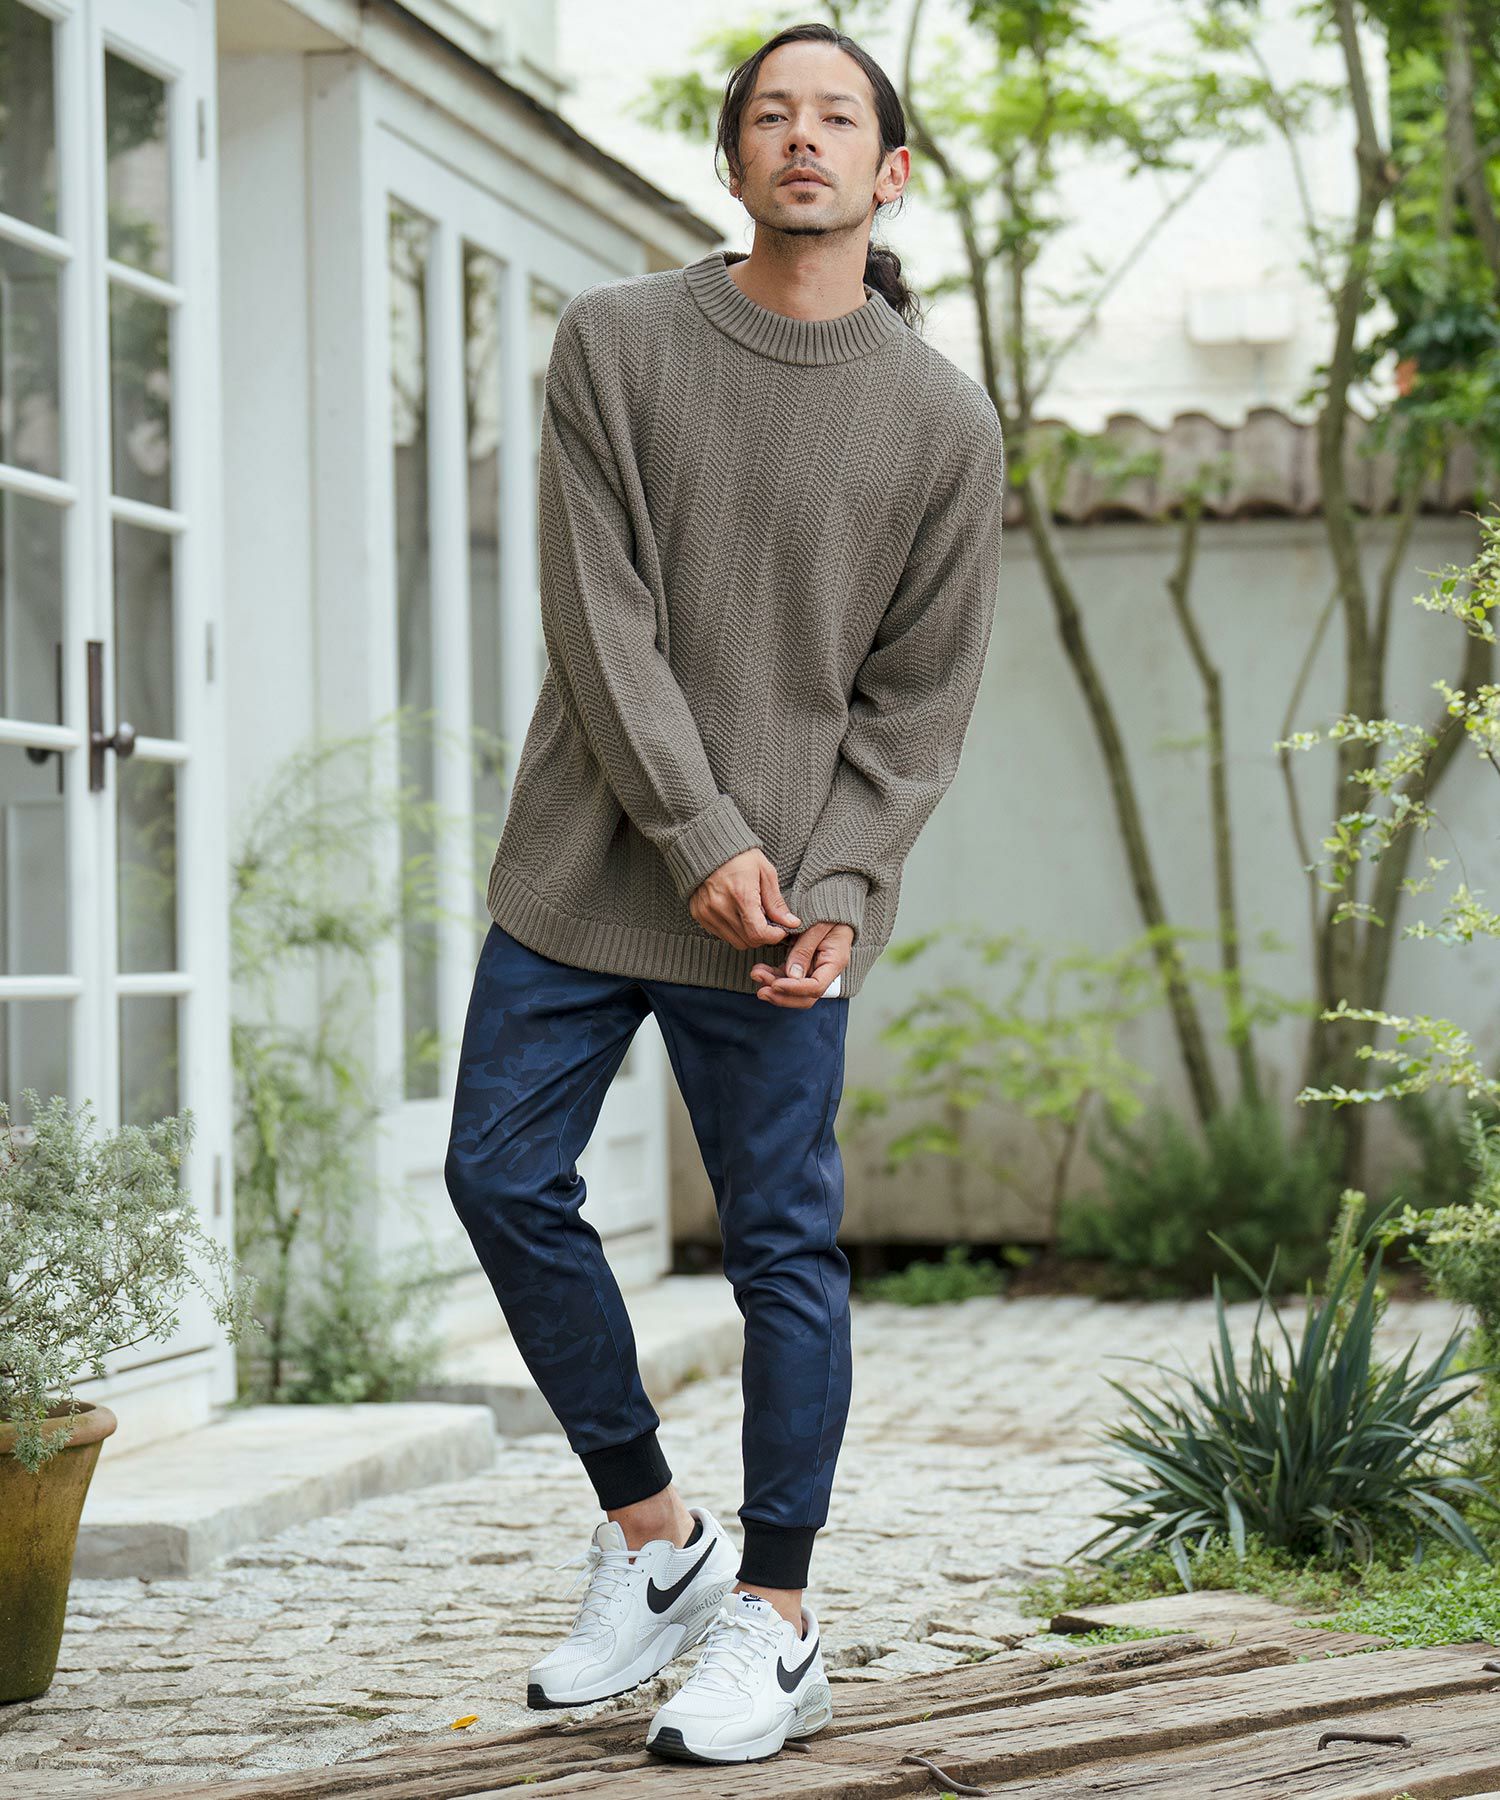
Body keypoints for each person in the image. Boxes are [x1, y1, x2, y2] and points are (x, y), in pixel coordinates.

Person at [443, 18, 1004, 1767]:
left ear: (889, 170)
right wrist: (700, 836)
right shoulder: (614, 344)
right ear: (734, 155)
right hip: (586, 864)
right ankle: (656, 1536)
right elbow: (598, 618)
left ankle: (778, 1615)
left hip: (781, 916)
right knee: (497, 1176)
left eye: (838, 116)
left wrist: (840, 880)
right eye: (772, 112)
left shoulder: (942, 420)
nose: (802, 137)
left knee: (781, 1251)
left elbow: (918, 701)